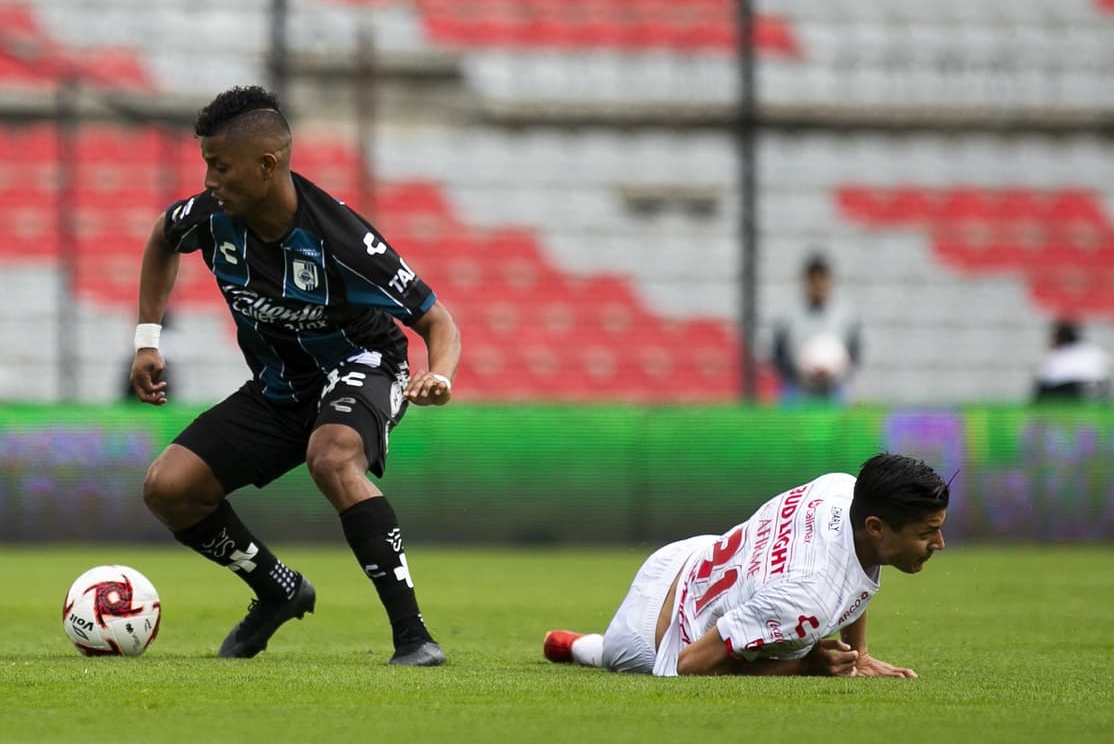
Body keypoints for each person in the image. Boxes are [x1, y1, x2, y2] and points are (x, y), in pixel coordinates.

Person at [130, 85, 461, 667]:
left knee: (332, 456)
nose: (209, 181)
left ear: (267, 165)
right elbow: (163, 236)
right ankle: (278, 588)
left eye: (219, 166)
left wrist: (439, 375)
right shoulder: (211, 217)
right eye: (206, 165)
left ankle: (414, 636)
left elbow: (437, 319)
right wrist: (147, 340)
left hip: (363, 365)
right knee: (169, 488)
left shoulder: (340, 240)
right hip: (282, 389)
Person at [543, 452, 948, 677]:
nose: (939, 543)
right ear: (877, 527)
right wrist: (803, 665)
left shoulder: (842, 489)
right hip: (652, 634)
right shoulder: (809, 597)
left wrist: (858, 653)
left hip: (692, 555)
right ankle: (581, 645)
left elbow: (856, 574)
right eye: (927, 532)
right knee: (610, 654)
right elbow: (689, 665)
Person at [771, 252, 861, 403]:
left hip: (834, 387)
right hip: (798, 387)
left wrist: (836, 371)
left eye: (822, 280)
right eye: (813, 280)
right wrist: (799, 372)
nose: (818, 285)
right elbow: (778, 353)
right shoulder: (789, 316)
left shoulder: (844, 316)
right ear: (806, 282)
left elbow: (855, 352)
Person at [1032, 319, 1112, 403]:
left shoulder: (1058, 355)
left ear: (1061, 338)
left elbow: (1044, 380)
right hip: (1099, 397)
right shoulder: (1095, 351)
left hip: (1073, 395)